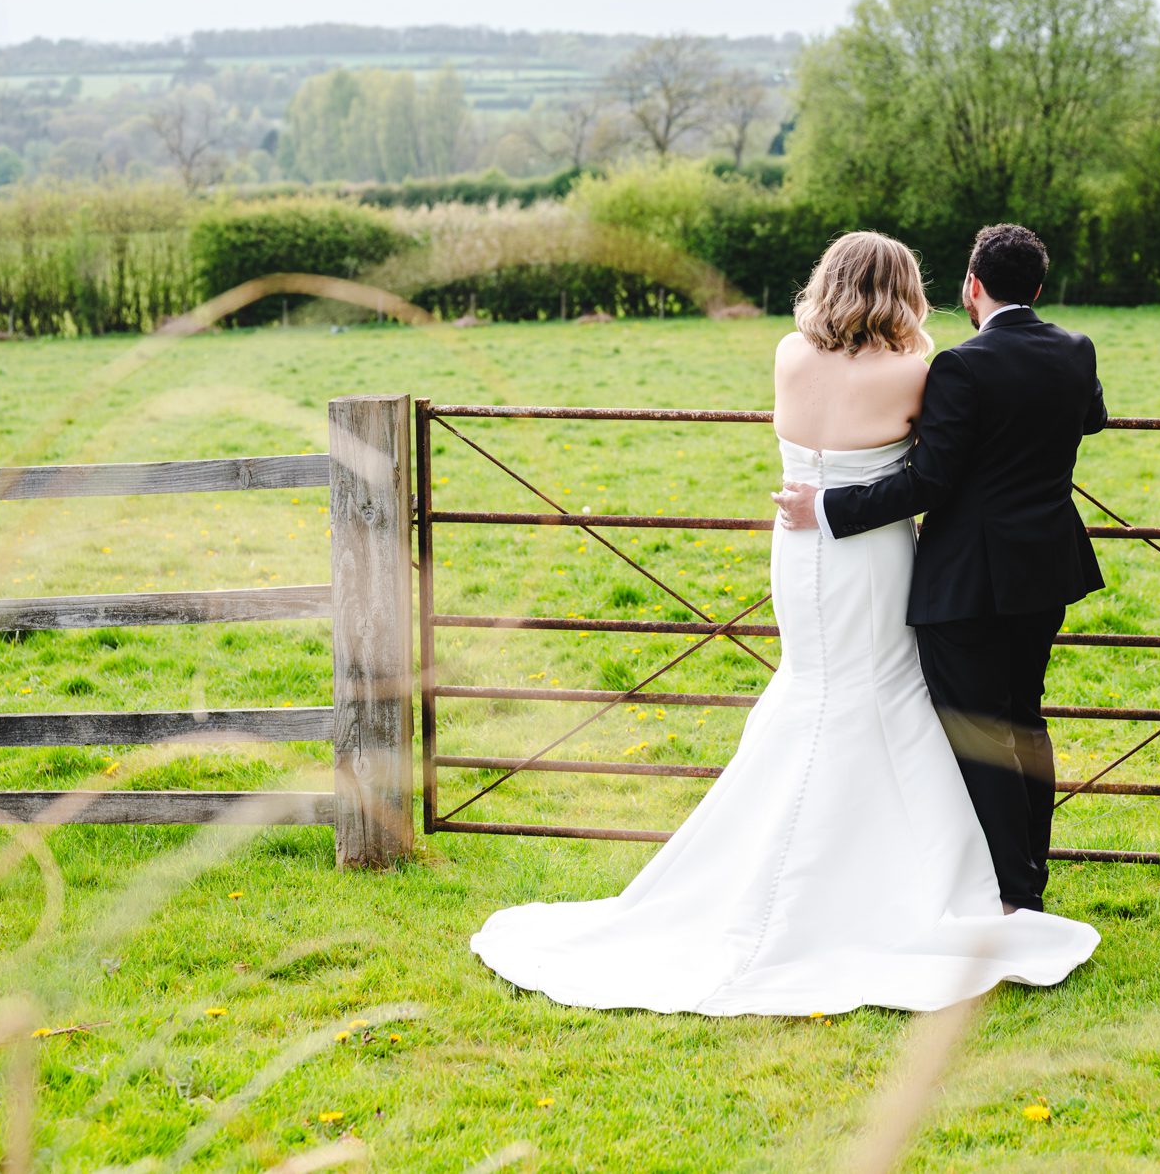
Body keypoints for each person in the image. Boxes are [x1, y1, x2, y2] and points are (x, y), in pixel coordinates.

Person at [470, 229, 1098, 1015]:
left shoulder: (788, 354)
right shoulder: (918, 366)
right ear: (905, 290)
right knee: (883, 691)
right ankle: (916, 874)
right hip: (867, 550)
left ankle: (776, 866)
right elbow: (938, 464)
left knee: (814, 686)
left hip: (798, 546)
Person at [773, 222, 1107, 913]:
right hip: (1048, 566)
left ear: (972, 285)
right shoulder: (1076, 348)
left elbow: (931, 479)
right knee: (1026, 717)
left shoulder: (959, 366)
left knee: (974, 727)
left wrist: (829, 506)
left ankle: (1013, 887)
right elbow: (1091, 419)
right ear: (1039, 288)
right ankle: (1029, 867)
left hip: (966, 577)